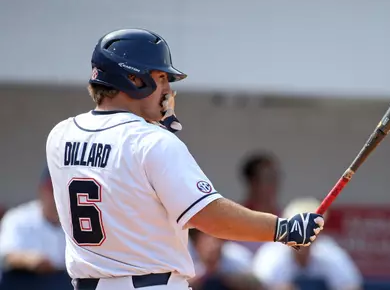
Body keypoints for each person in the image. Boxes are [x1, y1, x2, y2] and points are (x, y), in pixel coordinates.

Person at [45, 28, 324, 290]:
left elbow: (125, 184)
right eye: (161, 77)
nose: (168, 89)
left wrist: (156, 126)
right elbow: (210, 218)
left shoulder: (60, 136)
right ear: (133, 78)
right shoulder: (153, 142)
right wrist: (284, 228)